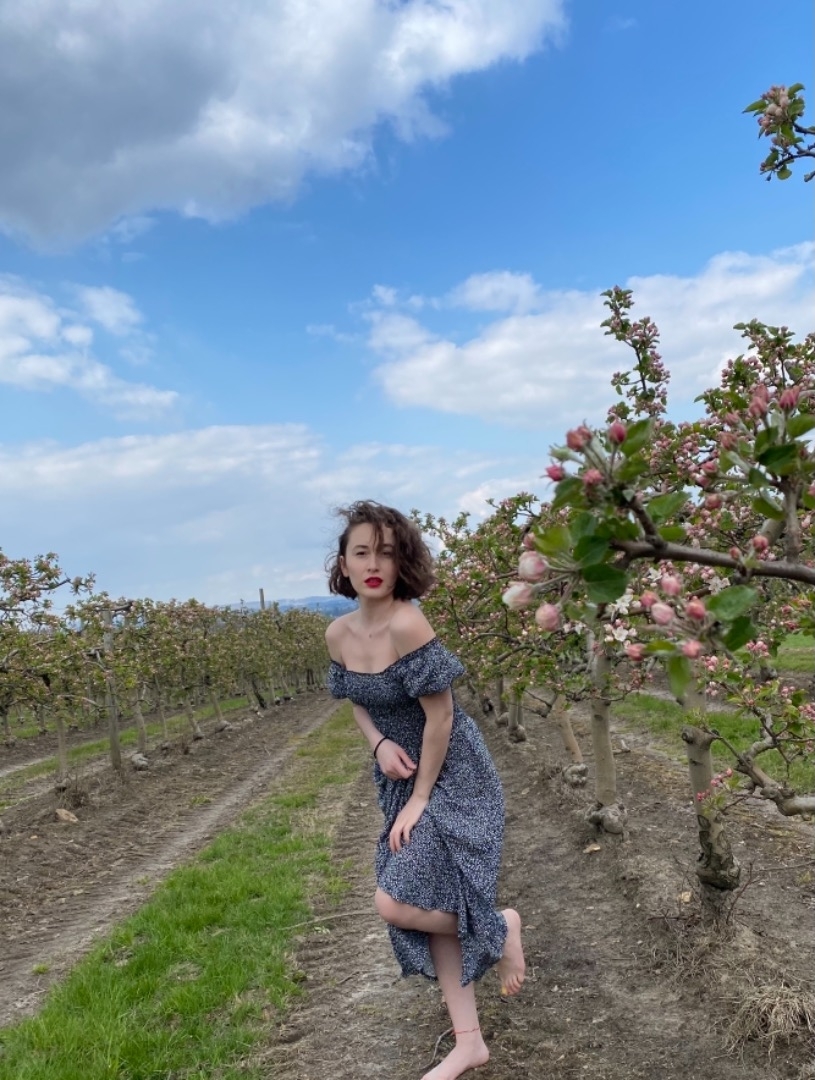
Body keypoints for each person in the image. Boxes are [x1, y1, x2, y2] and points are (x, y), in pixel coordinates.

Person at [325, 500, 525, 1080]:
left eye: (386, 553)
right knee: (425, 901)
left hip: (452, 773)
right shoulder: (338, 634)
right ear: (343, 562)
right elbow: (357, 702)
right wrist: (378, 745)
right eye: (362, 552)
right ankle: (469, 1043)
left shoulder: (408, 624)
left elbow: (442, 716)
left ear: (402, 562)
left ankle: (497, 927)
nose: (373, 564)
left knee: (395, 900)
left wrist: (419, 799)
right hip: (400, 773)